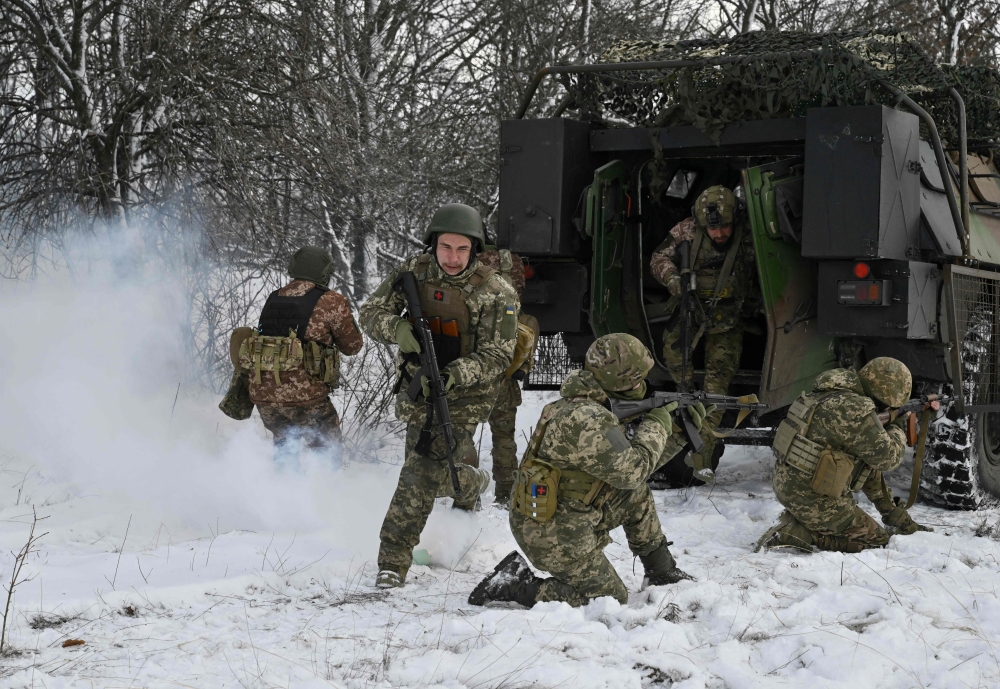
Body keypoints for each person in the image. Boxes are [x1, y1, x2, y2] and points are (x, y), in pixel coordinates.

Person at [468, 333, 710, 608]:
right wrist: (657, 425)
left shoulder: (583, 406)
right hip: (548, 531)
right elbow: (633, 470)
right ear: (617, 380)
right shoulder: (586, 418)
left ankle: (661, 572)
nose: (641, 385)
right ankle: (515, 584)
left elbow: (634, 470)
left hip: (557, 512)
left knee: (636, 495)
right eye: (636, 379)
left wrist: (678, 434)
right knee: (608, 598)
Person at [359, 203, 520, 589]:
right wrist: (395, 328)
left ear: (475, 250)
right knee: (422, 468)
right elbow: (370, 313)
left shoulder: (496, 292)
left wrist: (454, 375)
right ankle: (471, 483)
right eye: (445, 247)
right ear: (433, 244)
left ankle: (392, 562)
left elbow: (500, 354)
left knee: (420, 470)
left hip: (466, 393)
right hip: (418, 382)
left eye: (462, 250)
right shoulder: (412, 272)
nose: (452, 257)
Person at [756, 357, 932, 553]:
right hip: (814, 498)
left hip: (791, 486)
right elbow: (889, 458)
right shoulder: (855, 408)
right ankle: (796, 532)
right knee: (876, 539)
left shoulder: (828, 392)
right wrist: (898, 424)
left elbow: (869, 464)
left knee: (866, 458)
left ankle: (896, 518)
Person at [650, 185, 759, 482]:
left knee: (716, 384)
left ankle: (706, 447)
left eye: (725, 227)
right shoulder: (686, 230)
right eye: (713, 229)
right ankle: (684, 402)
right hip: (692, 308)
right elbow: (659, 258)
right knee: (673, 351)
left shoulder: (749, 234)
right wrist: (676, 281)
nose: (720, 234)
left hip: (730, 317)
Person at [242, 246, 363, 465]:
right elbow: (352, 347)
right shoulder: (331, 300)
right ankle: (327, 492)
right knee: (327, 455)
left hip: (265, 396)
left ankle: (283, 493)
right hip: (307, 398)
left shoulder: (274, 297)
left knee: (285, 450)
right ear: (324, 272)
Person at [478, 247, 539, 506]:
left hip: (474, 379)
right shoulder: (526, 319)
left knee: (464, 436)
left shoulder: (475, 313)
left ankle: (466, 494)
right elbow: (527, 361)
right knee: (504, 440)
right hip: (505, 383)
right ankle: (505, 494)